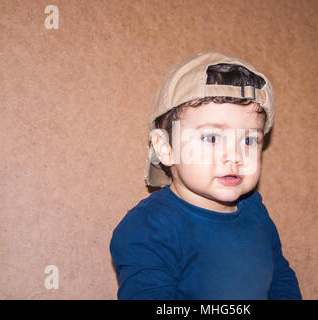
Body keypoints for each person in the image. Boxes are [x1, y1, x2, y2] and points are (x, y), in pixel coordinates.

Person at [110, 51, 302, 299]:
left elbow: (280, 278)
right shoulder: (150, 227)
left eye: (249, 140)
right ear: (165, 148)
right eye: (211, 138)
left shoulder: (255, 210)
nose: (234, 156)